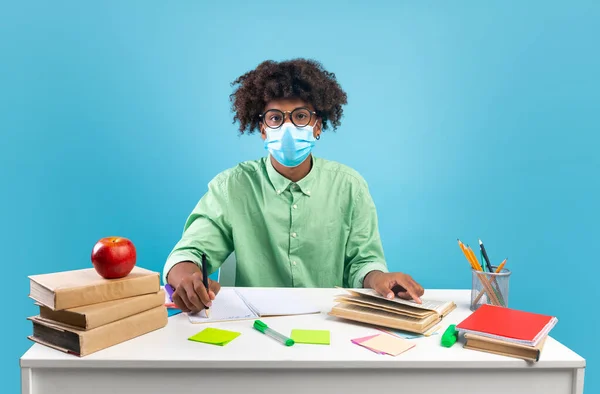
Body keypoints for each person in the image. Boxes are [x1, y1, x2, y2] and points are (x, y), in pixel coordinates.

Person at [163, 58, 424, 314]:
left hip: (330, 325)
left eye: (300, 116)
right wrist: (187, 276)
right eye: (275, 118)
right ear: (263, 129)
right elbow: (190, 251)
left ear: (318, 126)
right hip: (251, 326)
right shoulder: (232, 187)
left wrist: (378, 278)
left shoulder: (349, 186)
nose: (287, 127)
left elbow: (363, 262)